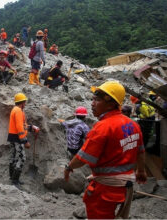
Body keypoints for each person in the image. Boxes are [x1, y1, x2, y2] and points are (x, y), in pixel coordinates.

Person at [64, 81, 147, 219]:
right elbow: (141, 151)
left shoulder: (102, 127)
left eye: (97, 100)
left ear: (111, 103)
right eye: (93, 99)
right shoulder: (133, 125)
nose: (92, 103)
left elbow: (82, 158)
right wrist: (142, 171)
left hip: (106, 190)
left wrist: (68, 167)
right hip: (126, 187)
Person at [8, 93, 40, 186]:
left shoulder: (17, 110)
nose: (25, 103)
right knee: (22, 158)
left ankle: (12, 177)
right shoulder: (18, 111)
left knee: (13, 157)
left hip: (12, 136)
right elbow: (19, 127)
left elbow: (22, 125)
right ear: (22, 102)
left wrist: (31, 127)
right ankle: (15, 180)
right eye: (25, 102)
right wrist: (24, 141)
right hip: (18, 138)